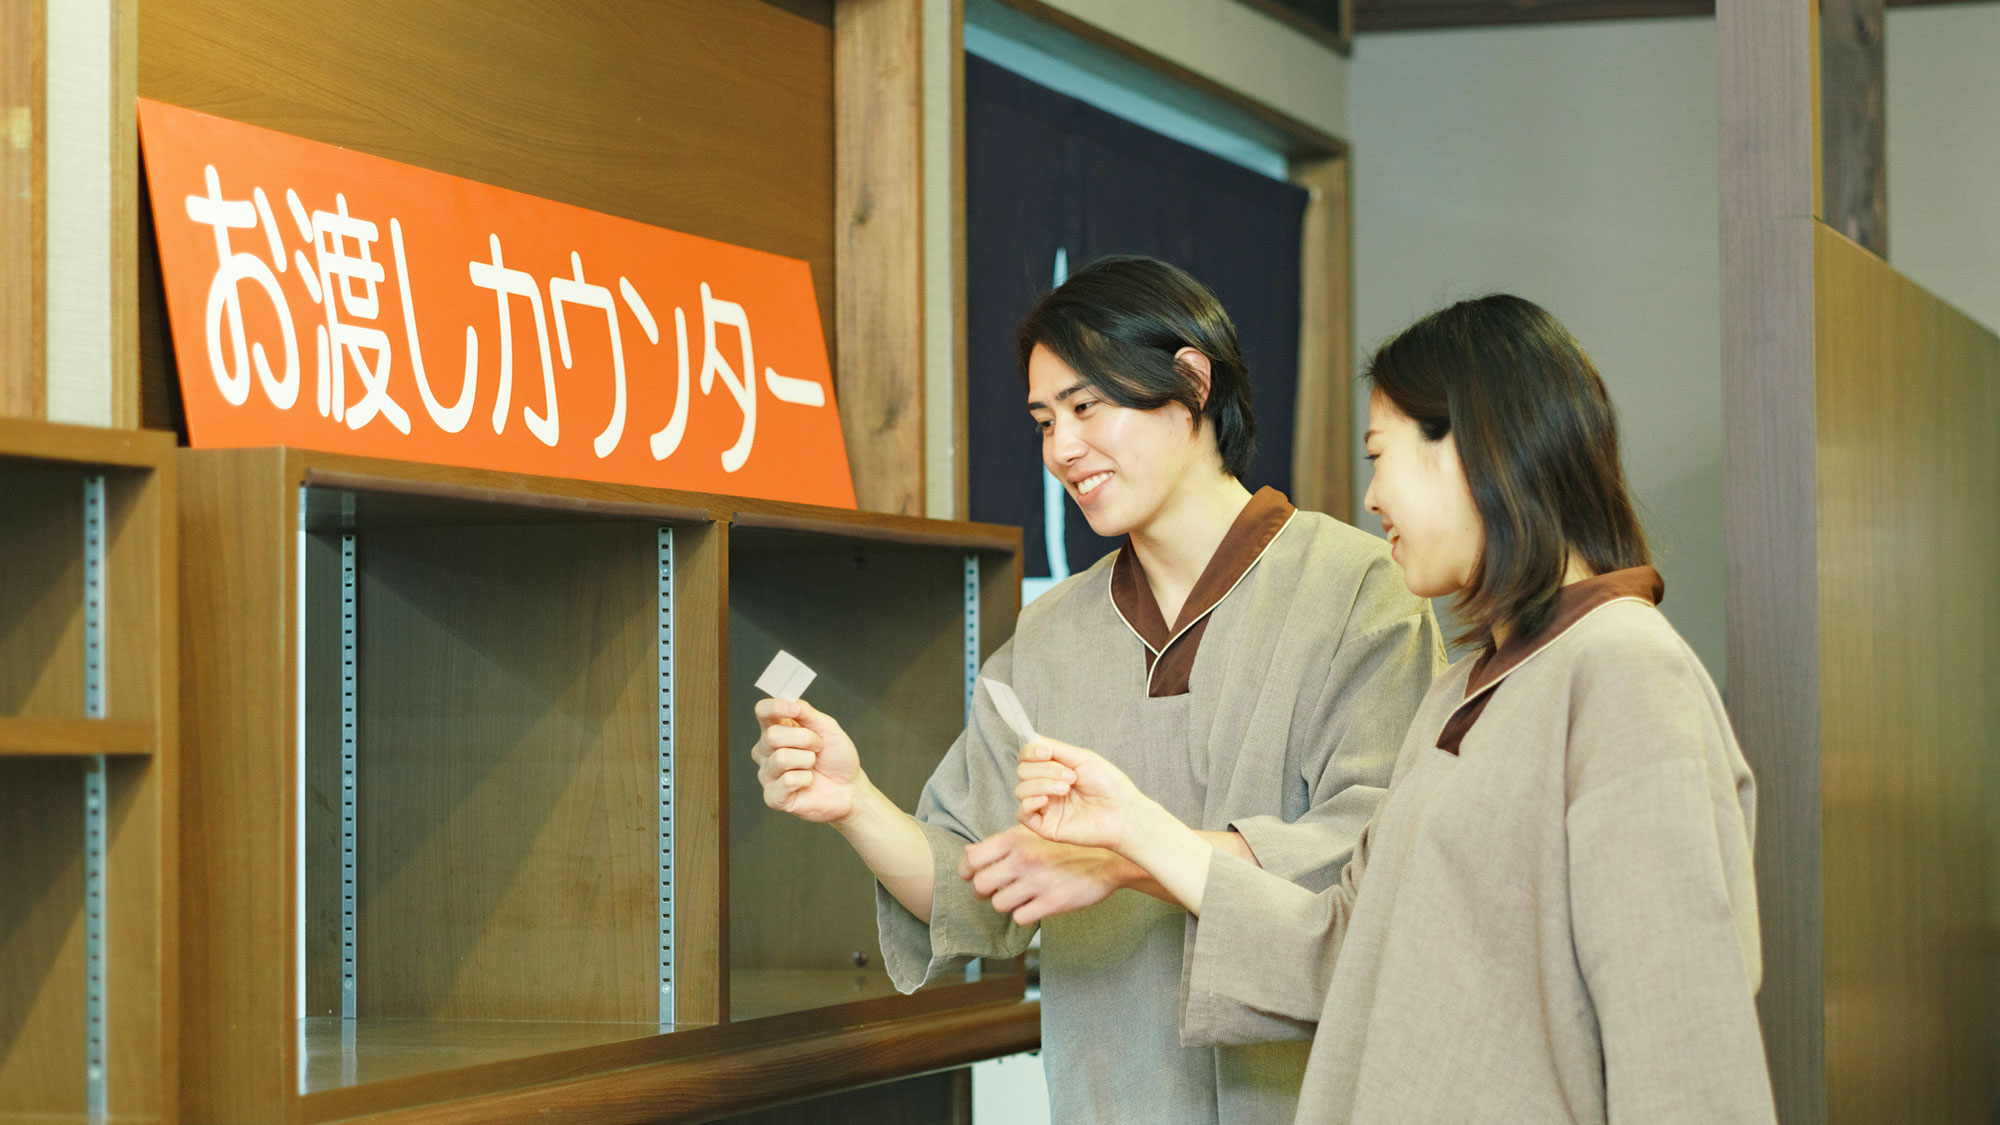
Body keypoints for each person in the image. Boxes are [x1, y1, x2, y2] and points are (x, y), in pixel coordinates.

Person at [1011, 294, 1777, 1123]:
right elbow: (1348, 944)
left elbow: (1686, 1049)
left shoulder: (1624, 669)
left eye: (1383, 455)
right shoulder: (1466, 686)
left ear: (1478, 447)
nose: (1373, 498)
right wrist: (1135, 830)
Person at [749, 254, 1442, 1124]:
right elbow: (973, 883)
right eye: (1045, 420)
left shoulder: (1357, 588)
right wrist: (851, 800)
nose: (1062, 448)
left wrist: (1121, 858)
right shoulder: (1049, 637)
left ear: (1191, 383)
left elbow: (1372, 863)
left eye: (1088, 407)